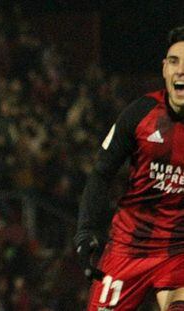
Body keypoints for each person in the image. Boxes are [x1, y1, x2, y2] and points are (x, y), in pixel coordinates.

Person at [75, 26, 184, 311]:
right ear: (163, 69)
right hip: (127, 248)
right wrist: (85, 231)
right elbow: (101, 172)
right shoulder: (139, 113)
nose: (181, 70)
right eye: (174, 61)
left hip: (178, 250)